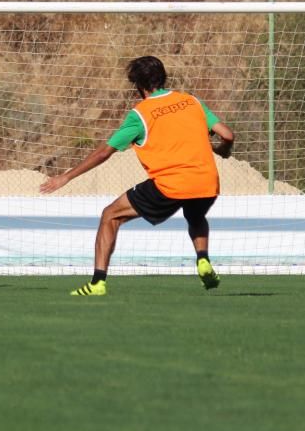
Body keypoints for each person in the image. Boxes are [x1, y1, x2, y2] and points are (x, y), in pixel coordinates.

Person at [39, 55, 235, 296]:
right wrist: (222, 151)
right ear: (163, 77)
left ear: (138, 86)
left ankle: (97, 283)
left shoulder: (140, 114)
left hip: (170, 186)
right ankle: (202, 259)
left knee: (110, 215)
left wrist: (65, 177)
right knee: (195, 214)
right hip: (207, 181)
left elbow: (104, 153)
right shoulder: (190, 101)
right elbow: (227, 135)